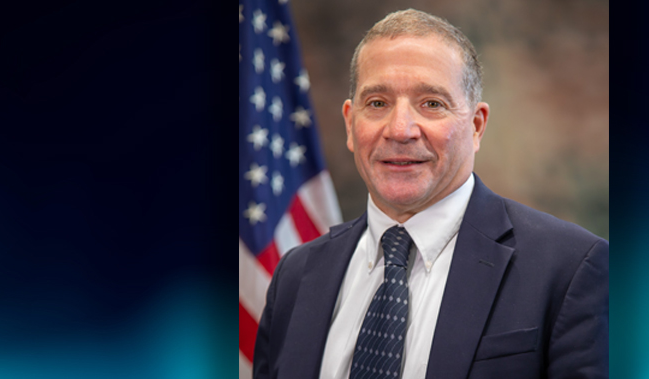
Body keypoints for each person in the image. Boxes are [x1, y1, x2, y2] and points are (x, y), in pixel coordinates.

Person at [253, 9, 608, 379]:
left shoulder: (570, 268)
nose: (400, 129)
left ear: (476, 125)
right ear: (350, 122)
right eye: (377, 103)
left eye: (431, 104)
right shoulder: (296, 274)